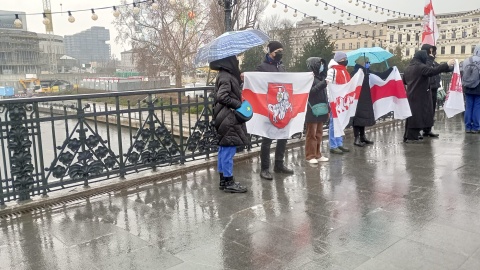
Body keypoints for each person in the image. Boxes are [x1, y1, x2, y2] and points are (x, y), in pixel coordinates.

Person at [256, 41, 294, 180]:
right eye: (278, 51)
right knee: (267, 139)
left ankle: (279, 164)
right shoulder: (262, 67)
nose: (280, 53)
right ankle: (265, 169)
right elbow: (257, 84)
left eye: (281, 50)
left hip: (282, 106)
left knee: (283, 136)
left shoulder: (282, 67)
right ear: (270, 52)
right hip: (269, 107)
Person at [210, 55, 248, 193]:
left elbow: (229, 91)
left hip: (223, 116)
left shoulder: (224, 74)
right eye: (235, 59)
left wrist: (239, 80)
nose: (236, 61)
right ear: (229, 61)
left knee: (223, 148)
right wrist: (238, 105)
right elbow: (222, 96)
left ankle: (223, 181)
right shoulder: (226, 76)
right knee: (228, 149)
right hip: (228, 117)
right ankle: (229, 182)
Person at [403, 50, 455, 143]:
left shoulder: (408, 67)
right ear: (422, 57)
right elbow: (433, 71)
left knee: (412, 116)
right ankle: (412, 137)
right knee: (417, 116)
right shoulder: (420, 67)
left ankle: (408, 135)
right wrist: (447, 64)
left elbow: (404, 81)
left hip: (411, 94)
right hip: (419, 95)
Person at [305, 57, 329, 164]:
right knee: (312, 134)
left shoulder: (321, 77)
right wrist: (323, 84)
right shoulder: (309, 77)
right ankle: (310, 155)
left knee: (319, 133)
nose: (322, 66)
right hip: (312, 109)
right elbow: (310, 92)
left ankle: (318, 154)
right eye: (320, 64)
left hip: (321, 108)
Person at [326, 51, 350, 154]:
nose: (345, 61)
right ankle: (333, 145)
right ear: (339, 60)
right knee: (333, 123)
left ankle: (339, 143)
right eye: (343, 60)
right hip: (335, 100)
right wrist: (330, 100)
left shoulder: (344, 70)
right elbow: (328, 85)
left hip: (342, 100)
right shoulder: (332, 71)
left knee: (340, 122)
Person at [350, 56, 375, 147]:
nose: (369, 64)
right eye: (367, 62)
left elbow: (378, 75)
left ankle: (362, 137)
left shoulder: (366, 72)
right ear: (362, 63)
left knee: (362, 117)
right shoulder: (355, 73)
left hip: (364, 98)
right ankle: (356, 138)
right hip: (357, 99)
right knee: (357, 119)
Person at [420, 44, 442, 138]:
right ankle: (420, 128)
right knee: (424, 110)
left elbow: (440, 68)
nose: (432, 53)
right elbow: (427, 70)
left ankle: (428, 129)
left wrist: (451, 66)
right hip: (426, 88)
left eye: (433, 51)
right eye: (431, 51)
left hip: (434, 87)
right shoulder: (424, 62)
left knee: (432, 110)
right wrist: (430, 59)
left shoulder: (433, 62)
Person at [461, 44, 480, 134]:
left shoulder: (466, 60)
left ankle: (467, 127)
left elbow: (462, 72)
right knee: (477, 107)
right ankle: (476, 128)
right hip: (478, 87)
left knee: (468, 107)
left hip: (467, 86)